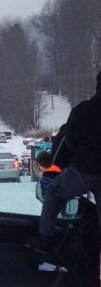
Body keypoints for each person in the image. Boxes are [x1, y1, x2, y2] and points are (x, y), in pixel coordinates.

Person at [26, 70, 101, 254]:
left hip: (84, 170)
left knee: (54, 192)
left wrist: (70, 161)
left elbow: (69, 140)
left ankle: (45, 239)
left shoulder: (83, 110)